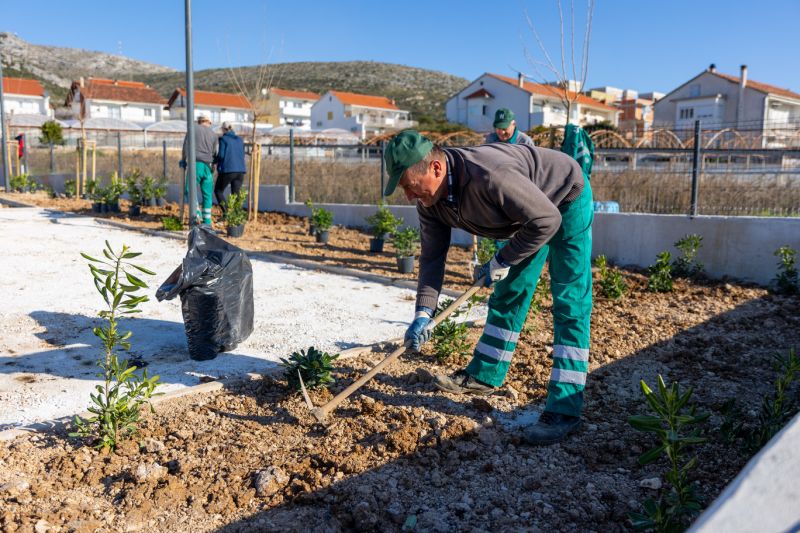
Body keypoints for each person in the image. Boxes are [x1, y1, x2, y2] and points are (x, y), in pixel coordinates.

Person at [383, 128, 593, 445]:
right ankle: (485, 374)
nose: (409, 197)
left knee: (569, 300)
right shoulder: (430, 202)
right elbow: (432, 258)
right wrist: (423, 313)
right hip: (527, 214)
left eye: (410, 186)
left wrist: (501, 260)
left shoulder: (489, 176)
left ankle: (565, 407)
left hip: (564, 198)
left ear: (436, 168)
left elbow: (547, 220)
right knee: (509, 292)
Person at [180, 115, 218, 226]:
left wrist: (183, 160)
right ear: (209, 122)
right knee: (207, 194)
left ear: (199, 121)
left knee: (190, 190)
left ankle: (196, 215)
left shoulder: (192, 129)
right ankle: (207, 221)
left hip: (195, 165)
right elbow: (215, 152)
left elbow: (185, 147)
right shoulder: (214, 134)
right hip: (208, 166)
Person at [214, 122, 246, 215]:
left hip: (228, 170)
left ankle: (226, 213)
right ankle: (237, 216)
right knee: (236, 194)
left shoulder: (223, 139)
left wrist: (214, 161)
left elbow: (221, 155)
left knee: (218, 191)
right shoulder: (240, 140)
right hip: (240, 170)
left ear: (223, 129)